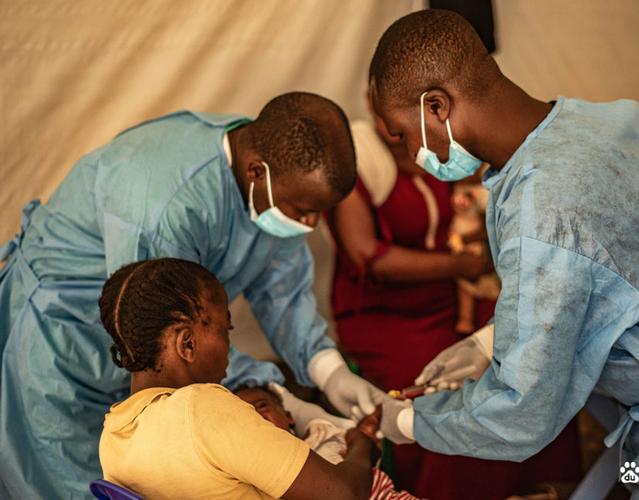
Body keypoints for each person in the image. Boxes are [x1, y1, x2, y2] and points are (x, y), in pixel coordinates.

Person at [370, 10, 639, 499]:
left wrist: (409, 422)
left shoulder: (543, 208)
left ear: (437, 106)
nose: (411, 155)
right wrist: (489, 342)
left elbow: (522, 412)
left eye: (403, 136)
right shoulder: (587, 121)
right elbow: (611, 269)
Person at [0, 92, 384, 498]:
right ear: (257, 171)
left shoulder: (277, 171)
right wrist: (280, 396)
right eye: (302, 210)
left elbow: (281, 285)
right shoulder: (165, 208)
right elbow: (177, 333)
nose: (310, 223)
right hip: (61, 349)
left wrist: (327, 368)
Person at [327, 111, 580, 498]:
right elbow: (367, 256)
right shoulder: (358, 161)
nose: (393, 131)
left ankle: (537, 482)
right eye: (382, 117)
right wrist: (459, 265)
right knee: (440, 392)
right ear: (370, 107)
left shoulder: (432, 156)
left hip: (448, 298)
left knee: (530, 351)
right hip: (384, 313)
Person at [98, 257, 378, 500]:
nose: (228, 348)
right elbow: (343, 493)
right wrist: (362, 443)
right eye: (225, 331)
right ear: (188, 344)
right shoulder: (203, 408)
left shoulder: (114, 435)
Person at [237, 386, 418, 499]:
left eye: (262, 406)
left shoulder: (321, 433)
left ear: (289, 416)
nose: (256, 416)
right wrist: (361, 441)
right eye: (246, 415)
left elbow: (365, 437)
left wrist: (371, 424)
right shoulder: (254, 478)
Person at [447, 171, 500, 334]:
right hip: (455, 239)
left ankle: (467, 319)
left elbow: (491, 223)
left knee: (468, 282)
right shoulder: (453, 185)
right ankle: (465, 319)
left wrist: (466, 239)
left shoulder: (482, 192)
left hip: (473, 243)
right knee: (462, 284)